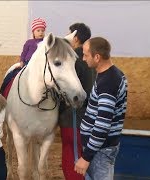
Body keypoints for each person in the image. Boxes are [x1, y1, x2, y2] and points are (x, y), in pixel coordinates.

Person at [74, 37, 128, 179]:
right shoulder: (110, 74)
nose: (84, 59)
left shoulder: (108, 82)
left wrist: (86, 157)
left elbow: (102, 125)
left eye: (86, 55)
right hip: (98, 149)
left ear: (97, 57)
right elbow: (102, 106)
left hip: (99, 152)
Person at [58, 23, 95, 180]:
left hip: (73, 117)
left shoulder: (73, 60)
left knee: (71, 156)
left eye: (69, 34)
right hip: (88, 117)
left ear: (76, 38)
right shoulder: (91, 59)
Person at [0, 17, 47, 98]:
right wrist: (21, 61)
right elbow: (24, 53)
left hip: (40, 65)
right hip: (27, 64)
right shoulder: (29, 42)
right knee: (11, 75)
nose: (41, 33)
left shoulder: (45, 43)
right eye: (38, 30)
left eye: (42, 30)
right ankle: (2, 93)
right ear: (33, 32)